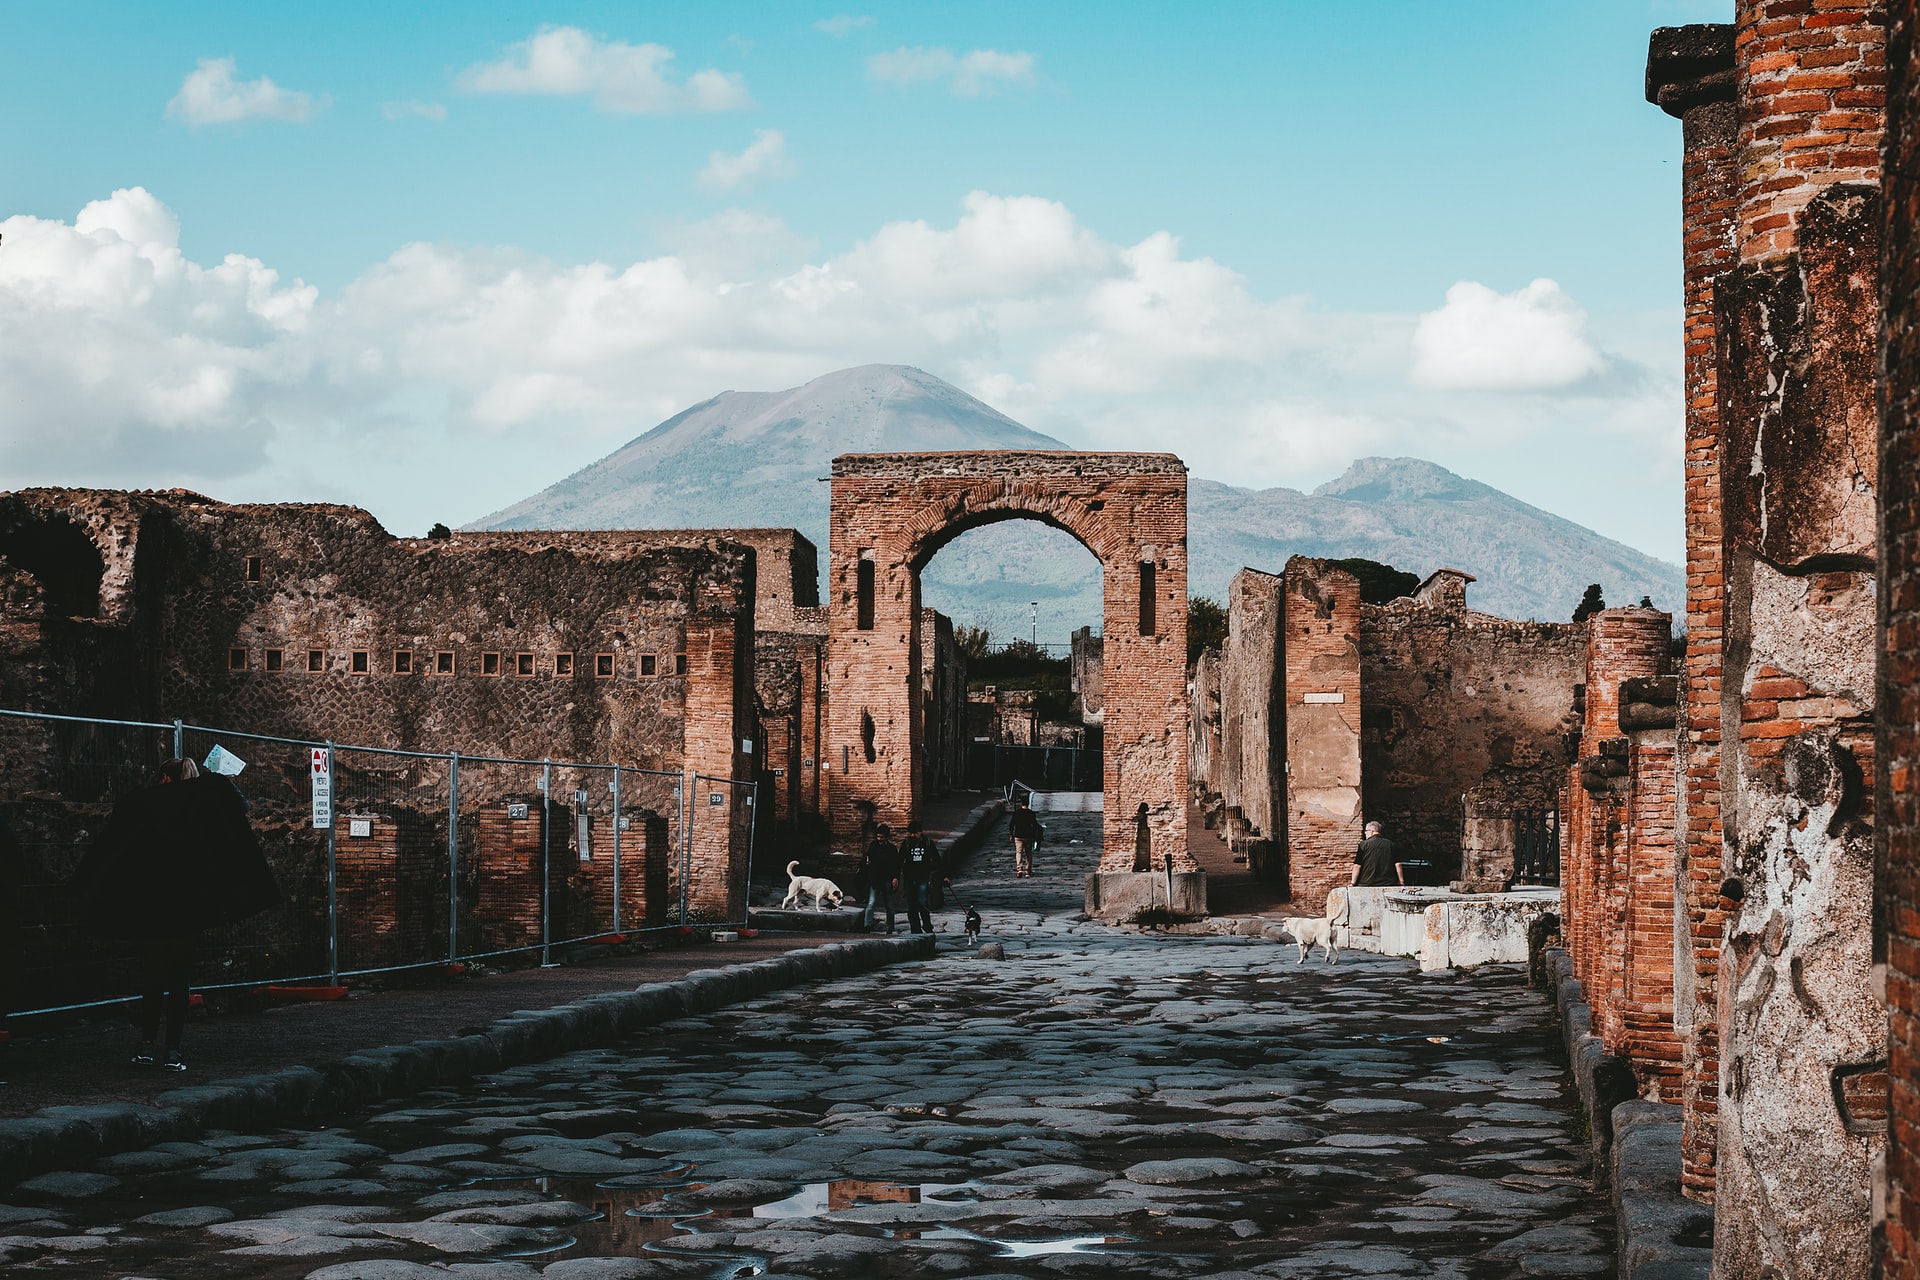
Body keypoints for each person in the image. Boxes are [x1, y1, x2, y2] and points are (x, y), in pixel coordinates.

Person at [75, 757, 278, 1072]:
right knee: (179, 980)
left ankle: (145, 1045)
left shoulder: (147, 805)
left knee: (153, 978)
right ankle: (172, 1050)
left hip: (153, 907)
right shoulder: (203, 808)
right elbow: (241, 805)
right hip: (188, 907)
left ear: (166, 779)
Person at [897, 820, 949, 935]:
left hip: (923, 878)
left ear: (920, 832)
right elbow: (899, 861)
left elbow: (937, 860)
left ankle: (927, 925)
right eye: (910, 833)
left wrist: (944, 876)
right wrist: (895, 877)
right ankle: (915, 930)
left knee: (922, 903)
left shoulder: (928, 843)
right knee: (911, 907)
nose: (912, 835)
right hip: (909, 878)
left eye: (915, 833)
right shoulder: (906, 844)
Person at [859, 824, 901, 933]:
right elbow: (867, 859)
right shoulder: (873, 846)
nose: (879, 839)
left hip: (887, 879)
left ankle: (890, 927)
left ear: (886, 837)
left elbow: (896, 865)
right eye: (878, 837)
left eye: (881, 837)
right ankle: (867, 925)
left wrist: (895, 878)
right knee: (871, 903)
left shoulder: (892, 849)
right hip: (875, 880)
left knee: (890, 906)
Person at [1351, 820, 1404, 888]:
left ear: (1371, 831)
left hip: (1367, 883)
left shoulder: (1363, 845)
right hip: (1388, 883)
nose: (1365, 833)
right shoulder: (1391, 844)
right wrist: (1401, 881)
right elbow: (1398, 864)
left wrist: (1353, 883)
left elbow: (1357, 866)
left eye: (1366, 831)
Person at [1009, 797, 1044, 878]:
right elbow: (1035, 825)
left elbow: (1011, 825)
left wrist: (1011, 834)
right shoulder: (1031, 813)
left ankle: (1019, 869)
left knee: (1019, 852)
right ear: (1028, 803)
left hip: (1018, 835)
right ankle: (1028, 871)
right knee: (1028, 853)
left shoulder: (1016, 813)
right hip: (1028, 836)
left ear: (1021, 803)